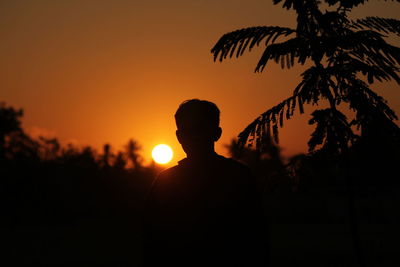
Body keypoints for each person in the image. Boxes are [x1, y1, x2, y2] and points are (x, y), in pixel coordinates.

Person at [142, 99, 268, 267]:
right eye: (188, 132)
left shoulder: (239, 177)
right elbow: (152, 241)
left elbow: (256, 237)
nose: (194, 138)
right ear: (179, 137)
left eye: (200, 130)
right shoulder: (165, 182)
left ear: (216, 133)